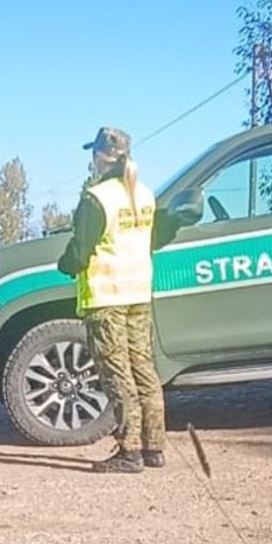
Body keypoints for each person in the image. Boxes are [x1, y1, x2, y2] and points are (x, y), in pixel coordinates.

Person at [57, 127, 179, 473]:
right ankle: (154, 447)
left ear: (99, 157)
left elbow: (80, 252)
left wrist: (64, 264)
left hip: (106, 297)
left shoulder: (97, 198)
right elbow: (152, 238)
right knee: (144, 369)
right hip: (138, 293)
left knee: (117, 374)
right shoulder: (143, 194)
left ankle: (130, 452)